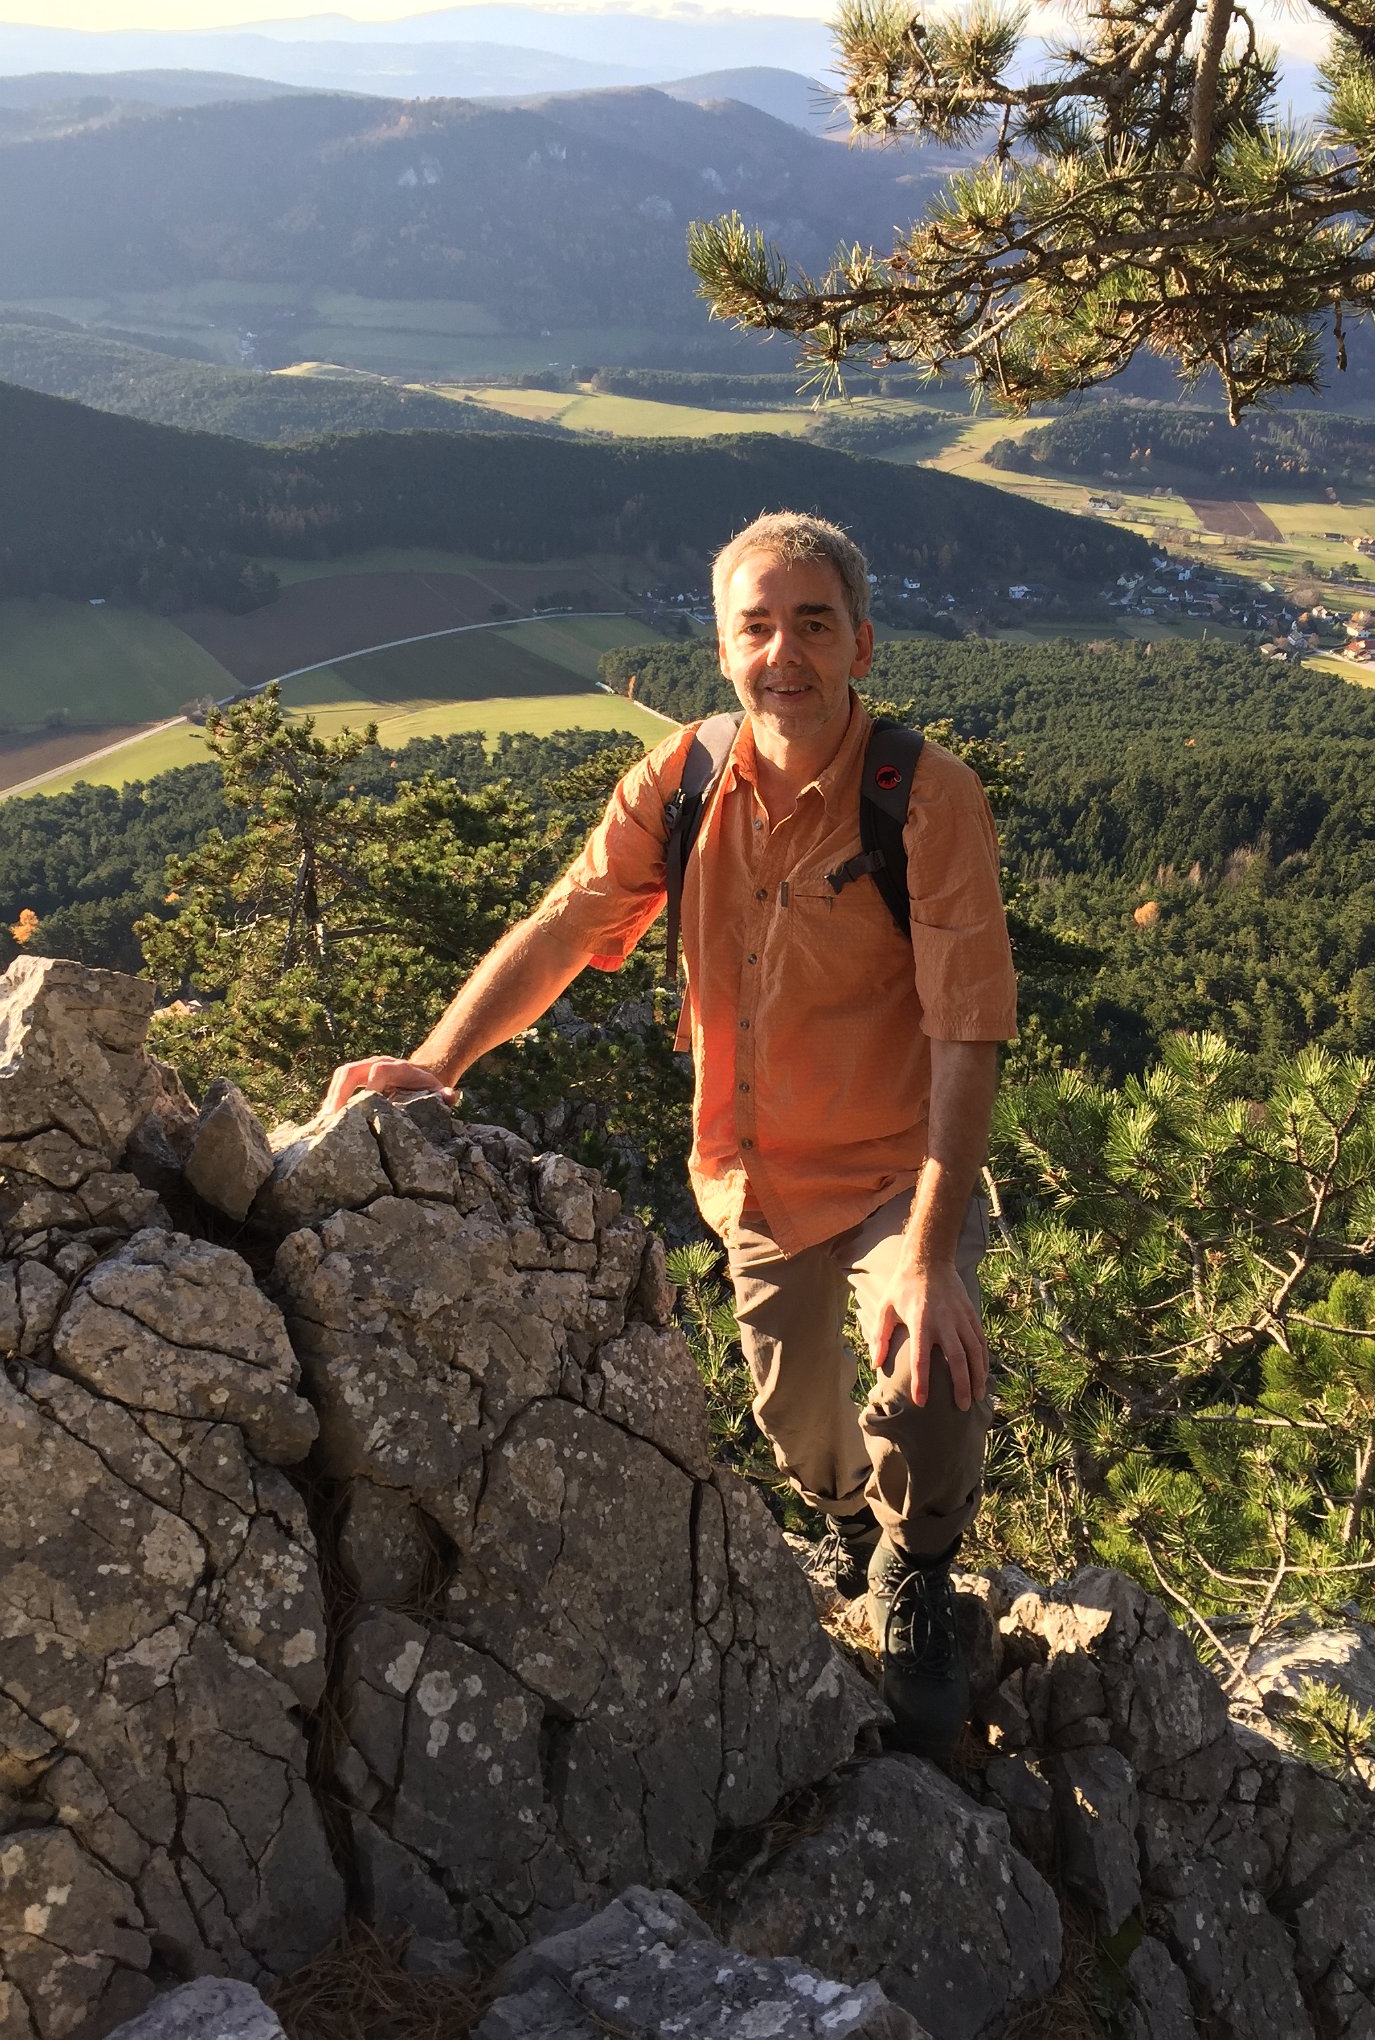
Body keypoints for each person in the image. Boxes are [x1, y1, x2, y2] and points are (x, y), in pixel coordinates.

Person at [322, 511, 1017, 1755]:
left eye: (813, 624)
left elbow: (969, 1031)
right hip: (753, 1177)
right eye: (758, 626)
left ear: (860, 645)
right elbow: (567, 924)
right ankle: (851, 1523)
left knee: (930, 1366)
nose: (783, 652)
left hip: (890, 1174)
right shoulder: (685, 779)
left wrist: (928, 1251)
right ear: (723, 648)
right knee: (797, 1424)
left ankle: (918, 1569)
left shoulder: (924, 798)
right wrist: (437, 1063)